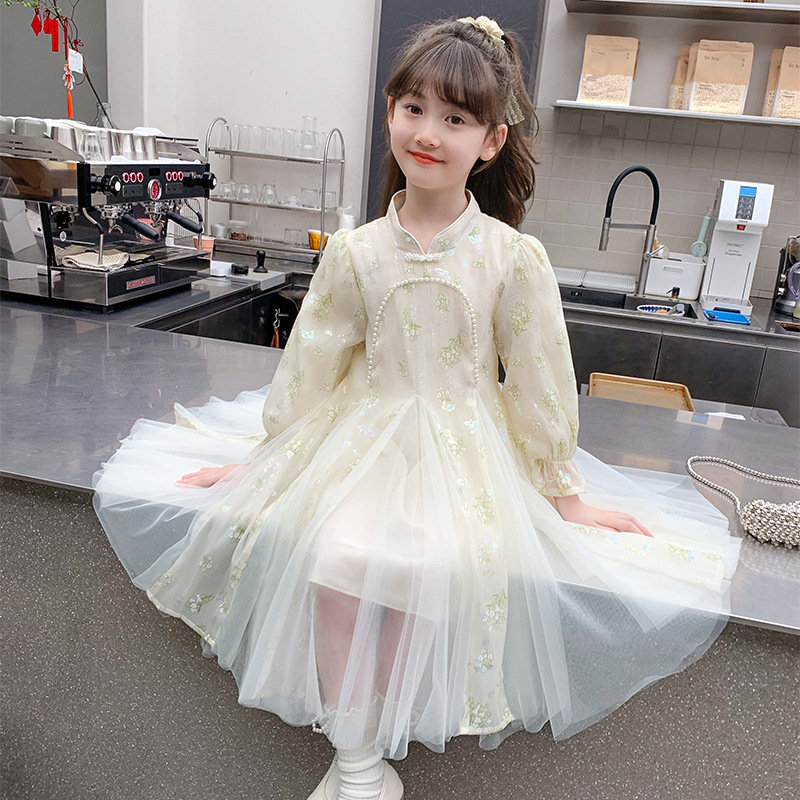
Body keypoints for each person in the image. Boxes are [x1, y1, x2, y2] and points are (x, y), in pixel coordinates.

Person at [94, 16, 740, 800]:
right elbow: (312, 363)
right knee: (334, 566)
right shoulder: (356, 251)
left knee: (435, 575)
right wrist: (265, 459)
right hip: (360, 439)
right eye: (413, 108)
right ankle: (358, 763)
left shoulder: (512, 257)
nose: (428, 133)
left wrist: (563, 492)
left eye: (455, 118)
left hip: (467, 450)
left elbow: (538, 378)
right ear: (390, 112)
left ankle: (365, 759)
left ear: (492, 141)